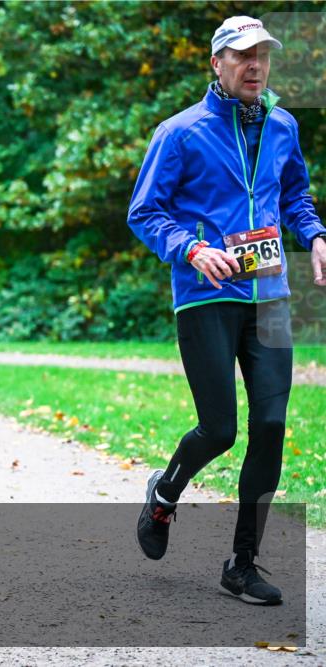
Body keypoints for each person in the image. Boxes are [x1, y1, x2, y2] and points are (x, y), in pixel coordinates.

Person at [127, 16, 326, 605]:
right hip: (206, 296)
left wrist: (314, 234)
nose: (255, 65)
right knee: (219, 429)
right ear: (217, 63)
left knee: (269, 427)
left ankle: (242, 563)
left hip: (269, 295)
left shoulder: (283, 125)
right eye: (242, 55)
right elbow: (145, 211)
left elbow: (294, 195)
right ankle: (164, 495)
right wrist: (191, 247)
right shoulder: (180, 133)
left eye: (263, 54)